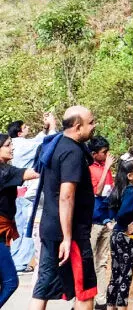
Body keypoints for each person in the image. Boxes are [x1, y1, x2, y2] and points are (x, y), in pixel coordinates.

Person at [30, 106, 98, 310]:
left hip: (50, 228)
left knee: (42, 288)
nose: (94, 126)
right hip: (70, 234)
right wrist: (68, 238)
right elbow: (66, 196)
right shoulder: (72, 152)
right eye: (91, 122)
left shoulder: (54, 145)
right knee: (85, 290)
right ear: (78, 127)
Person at [8, 113, 57, 273]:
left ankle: (15, 260)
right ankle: (21, 263)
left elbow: (37, 140)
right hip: (28, 191)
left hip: (16, 192)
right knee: (27, 228)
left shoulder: (15, 144)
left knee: (17, 228)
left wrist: (46, 127)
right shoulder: (21, 145)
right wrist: (52, 126)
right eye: (25, 127)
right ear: (19, 132)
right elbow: (45, 144)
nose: (28, 128)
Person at [0, 133, 39, 306]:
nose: (12, 147)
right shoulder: (4, 171)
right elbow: (33, 173)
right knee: (10, 282)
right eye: (8, 145)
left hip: (3, 231)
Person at [106, 154, 133, 310]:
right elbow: (123, 213)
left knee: (115, 275)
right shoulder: (130, 192)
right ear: (130, 176)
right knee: (125, 277)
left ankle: (110, 306)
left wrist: (115, 227)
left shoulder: (117, 190)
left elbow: (111, 211)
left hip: (116, 237)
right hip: (127, 238)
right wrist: (124, 228)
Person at [88, 136, 114, 310]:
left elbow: (110, 192)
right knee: (89, 260)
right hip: (93, 221)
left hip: (107, 221)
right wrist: (106, 170)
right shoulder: (90, 169)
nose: (106, 155)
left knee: (102, 261)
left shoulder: (107, 169)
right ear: (94, 154)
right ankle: (85, 298)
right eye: (103, 152)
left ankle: (101, 300)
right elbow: (97, 191)